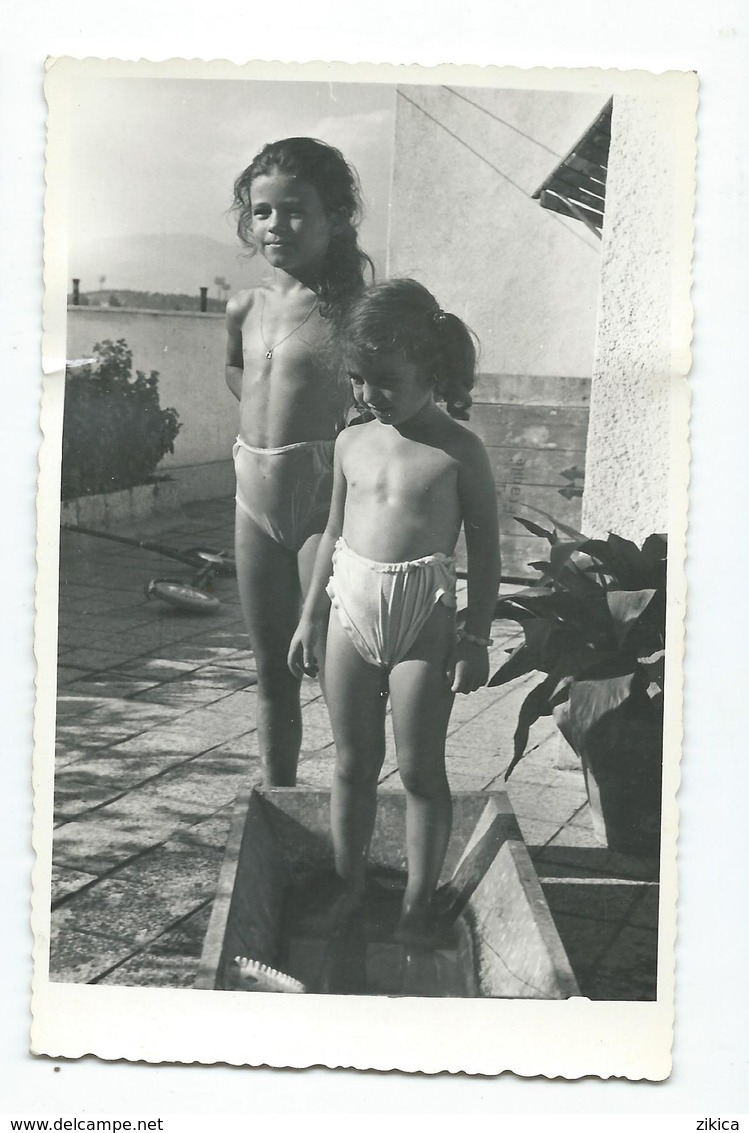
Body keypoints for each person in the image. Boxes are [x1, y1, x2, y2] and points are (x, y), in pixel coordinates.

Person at [288, 279, 501, 945]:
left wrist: (474, 635)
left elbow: (487, 553)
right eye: (358, 379)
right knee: (351, 759)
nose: (367, 395)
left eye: (385, 380)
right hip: (349, 603)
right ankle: (348, 883)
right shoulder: (352, 441)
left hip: (422, 618)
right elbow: (331, 533)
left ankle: (416, 901)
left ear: (430, 369)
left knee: (418, 767)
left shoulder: (458, 450)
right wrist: (308, 617)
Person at [226, 138, 372, 786]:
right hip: (252, 500)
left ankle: (351, 826)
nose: (274, 226)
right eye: (261, 212)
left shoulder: (351, 311)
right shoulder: (244, 306)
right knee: (269, 672)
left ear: (334, 216)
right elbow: (239, 370)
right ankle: (279, 805)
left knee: (338, 676)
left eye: (293, 211)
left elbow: (378, 397)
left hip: (321, 506)